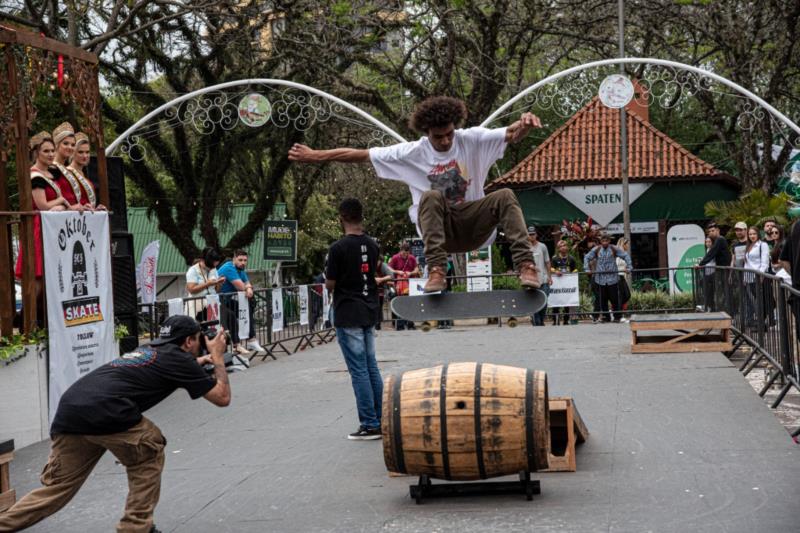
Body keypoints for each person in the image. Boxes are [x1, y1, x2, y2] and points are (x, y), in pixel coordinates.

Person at [288, 96, 544, 293]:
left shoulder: (472, 139)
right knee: (431, 197)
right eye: (438, 137)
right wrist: (315, 155)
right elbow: (360, 155)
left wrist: (525, 124)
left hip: (474, 226)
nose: (445, 142)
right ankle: (436, 271)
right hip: (438, 230)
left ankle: (526, 267)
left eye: (449, 135)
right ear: (426, 133)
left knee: (505, 195)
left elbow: (511, 134)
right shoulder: (410, 153)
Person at [0, 315, 231, 533]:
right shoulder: (179, 360)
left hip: (71, 411)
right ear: (189, 341)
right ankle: (135, 527)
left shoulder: (149, 350)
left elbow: (171, 369)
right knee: (149, 451)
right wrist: (218, 357)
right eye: (199, 339)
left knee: (55, 491)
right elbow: (222, 398)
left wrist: (201, 360)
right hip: (109, 411)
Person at [325, 198, 383, 440]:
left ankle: (369, 424)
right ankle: (381, 418)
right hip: (369, 310)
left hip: (348, 312)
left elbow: (330, 283)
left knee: (358, 370)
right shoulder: (373, 245)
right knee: (371, 367)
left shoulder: (337, 249)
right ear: (361, 216)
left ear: (342, 217)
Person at [14, 132, 73, 326]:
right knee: (37, 280)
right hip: (39, 229)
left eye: (51, 150)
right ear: (36, 153)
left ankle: (41, 322)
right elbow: (42, 205)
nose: (50, 154)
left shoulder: (52, 174)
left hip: (53, 229)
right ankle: (25, 322)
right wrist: (61, 201)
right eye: (45, 151)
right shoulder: (35, 176)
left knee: (51, 281)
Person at [217, 250, 266, 357]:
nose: (243, 262)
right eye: (240, 260)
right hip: (216, 302)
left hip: (226, 300)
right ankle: (237, 345)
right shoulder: (229, 268)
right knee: (232, 316)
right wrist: (248, 288)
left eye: (245, 260)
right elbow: (240, 286)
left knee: (247, 309)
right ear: (234, 259)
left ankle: (251, 340)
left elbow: (247, 282)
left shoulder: (240, 269)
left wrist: (248, 287)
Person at [583, 233, 632, 323]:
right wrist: (586, 268)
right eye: (603, 241)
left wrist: (629, 267)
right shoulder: (596, 249)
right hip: (600, 279)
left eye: (606, 241)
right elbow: (587, 257)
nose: (605, 242)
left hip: (613, 279)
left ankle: (617, 316)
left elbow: (625, 256)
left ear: (609, 241)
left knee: (615, 299)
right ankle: (606, 317)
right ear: (601, 241)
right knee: (603, 300)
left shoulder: (614, 248)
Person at [50, 122, 85, 211]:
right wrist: (69, 208)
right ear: (56, 145)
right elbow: (50, 198)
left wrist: (85, 207)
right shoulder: (51, 168)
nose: (70, 147)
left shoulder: (69, 171)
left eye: (73, 145)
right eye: (65, 143)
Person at [67, 131, 106, 210]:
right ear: (72, 153)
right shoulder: (67, 173)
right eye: (80, 152)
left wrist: (95, 210)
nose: (85, 156)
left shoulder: (83, 174)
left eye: (87, 152)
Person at [696, 222, 731, 311]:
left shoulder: (720, 239)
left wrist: (700, 264)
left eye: (713, 231)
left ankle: (727, 311)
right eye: (709, 231)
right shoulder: (717, 241)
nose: (711, 233)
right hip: (720, 270)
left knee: (723, 292)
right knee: (716, 289)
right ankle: (712, 307)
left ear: (718, 230)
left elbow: (711, 254)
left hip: (724, 270)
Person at [185, 247, 225, 321]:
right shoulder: (192, 271)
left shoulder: (213, 269)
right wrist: (207, 284)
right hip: (198, 307)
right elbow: (191, 289)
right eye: (210, 266)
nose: (212, 268)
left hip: (212, 304)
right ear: (203, 261)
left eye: (214, 266)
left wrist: (219, 283)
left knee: (229, 318)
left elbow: (216, 290)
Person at [388, 243, 419, 330]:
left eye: (406, 253)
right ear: (400, 251)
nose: (405, 255)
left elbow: (416, 269)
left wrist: (411, 273)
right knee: (400, 303)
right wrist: (398, 272)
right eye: (403, 253)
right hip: (399, 284)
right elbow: (389, 268)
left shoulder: (411, 258)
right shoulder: (395, 257)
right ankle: (400, 325)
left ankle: (410, 324)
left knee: (409, 303)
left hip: (409, 284)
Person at [743, 226, 770, 328]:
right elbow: (747, 263)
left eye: (754, 234)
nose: (752, 236)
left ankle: (762, 323)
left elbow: (765, 262)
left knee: (760, 301)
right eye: (750, 234)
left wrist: (760, 275)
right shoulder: (749, 245)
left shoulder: (762, 245)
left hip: (758, 277)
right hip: (749, 278)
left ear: (758, 234)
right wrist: (744, 278)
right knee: (753, 301)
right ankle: (758, 323)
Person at [527, 226, 551, 326]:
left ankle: (541, 320)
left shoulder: (543, 246)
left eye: (533, 234)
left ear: (536, 235)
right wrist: (531, 266)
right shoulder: (526, 248)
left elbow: (548, 262)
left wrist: (550, 276)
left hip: (543, 278)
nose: (531, 236)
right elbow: (523, 263)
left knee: (544, 300)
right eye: (529, 234)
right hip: (532, 279)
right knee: (534, 301)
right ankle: (536, 321)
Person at [550, 239, 577, 325]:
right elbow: (550, 268)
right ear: (558, 249)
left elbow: (575, 269)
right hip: (557, 285)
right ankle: (555, 321)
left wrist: (572, 274)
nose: (563, 248)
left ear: (567, 247)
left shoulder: (571, 258)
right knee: (556, 303)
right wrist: (555, 271)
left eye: (565, 245)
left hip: (567, 284)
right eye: (561, 246)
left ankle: (566, 320)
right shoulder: (554, 258)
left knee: (567, 302)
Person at [614, 237, 633, 323]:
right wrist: (624, 269)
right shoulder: (619, 253)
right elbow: (616, 264)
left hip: (622, 276)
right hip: (618, 276)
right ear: (623, 244)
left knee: (626, 295)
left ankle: (617, 311)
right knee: (623, 295)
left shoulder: (624, 253)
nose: (628, 245)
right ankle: (619, 315)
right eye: (627, 244)